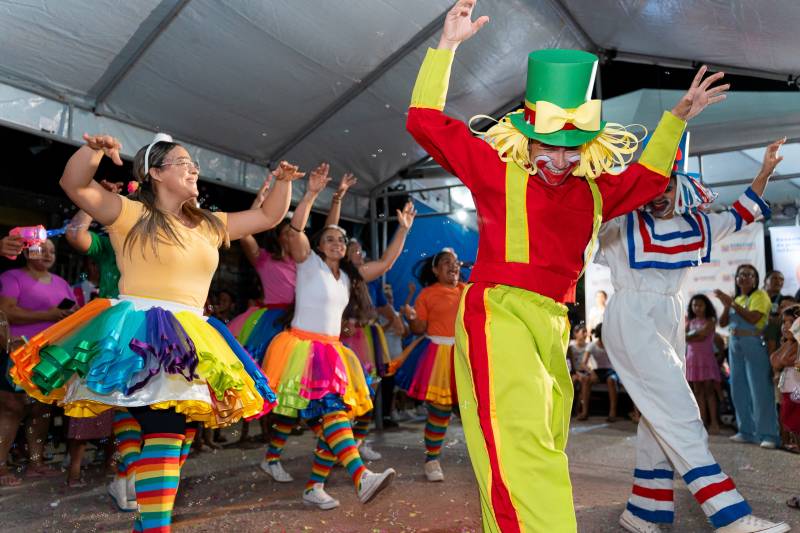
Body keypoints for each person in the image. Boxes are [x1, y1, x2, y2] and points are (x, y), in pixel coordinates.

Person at [406, 1, 725, 529]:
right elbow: (423, 121)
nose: (559, 160)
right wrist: (447, 48)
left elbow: (648, 178)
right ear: (526, 137)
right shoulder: (494, 169)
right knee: (521, 442)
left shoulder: (596, 191)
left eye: (572, 148)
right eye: (548, 146)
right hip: (499, 313)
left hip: (555, 322)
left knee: (543, 442)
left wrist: (677, 118)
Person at [9, 132, 295, 532]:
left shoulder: (209, 223)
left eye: (194, 164)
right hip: (140, 332)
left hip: (190, 336)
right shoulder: (129, 213)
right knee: (166, 431)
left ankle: (144, 512)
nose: (194, 169)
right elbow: (73, 183)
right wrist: (93, 151)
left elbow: (268, 217)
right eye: (184, 163)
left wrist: (284, 182)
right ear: (156, 173)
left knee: (180, 437)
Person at [600, 136, 788, 532]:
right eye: (651, 185)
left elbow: (741, 212)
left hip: (669, 315)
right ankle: (728, 515)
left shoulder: (697, 224)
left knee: (656, 417)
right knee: (681, 411)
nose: (658, 194)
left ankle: (642, 512)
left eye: (666, 185)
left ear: (681, 185)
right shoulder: (620, 222)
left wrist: (765, 171)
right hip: (631, 316)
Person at [259, 163, 415, 509]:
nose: (337, 243)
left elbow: (386, 263)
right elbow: (296, 229)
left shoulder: (348, 277)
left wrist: (402, 230)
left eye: (342, 239)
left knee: (337, 418)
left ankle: (315, 486)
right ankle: (361, 477)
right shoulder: (307, 262)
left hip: (333, 352)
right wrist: (312, 194)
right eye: (330, 238)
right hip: (302, 350)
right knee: (333, 415)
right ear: (317, 245)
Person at [0, 239, 74, 484]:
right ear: (27, 252)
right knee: (11, 408)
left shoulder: (62, 283)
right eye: (41, 249)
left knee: (42, 408)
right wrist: (49, 314)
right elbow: (6, 311)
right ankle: (1, 467)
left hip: (51, 355)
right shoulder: (12, 277)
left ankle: (36, 463)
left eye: (52, 251)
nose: (48, 254)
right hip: (18, 351)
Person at [393, 248, 464, 482]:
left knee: (472, 409)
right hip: (438, 357)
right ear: (435, 270)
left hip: (464, 356)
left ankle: (488, 459)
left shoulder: (467, 291)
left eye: (456, 262)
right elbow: (419, 329)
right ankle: (432, 460)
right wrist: (412, 318)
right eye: (446, 262)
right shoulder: (427, 294)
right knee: (440, 410)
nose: (453, 265)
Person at [717, 263, 782, 450]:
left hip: (753, 344)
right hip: (734, 345)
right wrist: (726, 305)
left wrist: (732, 304)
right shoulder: (737, 298)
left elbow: (753, 318)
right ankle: (746, 431)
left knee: (760, 391)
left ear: (756, 279)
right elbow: (723, 322)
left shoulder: (760, 296)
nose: (745, 277)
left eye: (749, 275)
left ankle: (769, 434)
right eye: (741, 274)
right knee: (738, 389)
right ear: (737, 279)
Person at [686, 294, 722, 434]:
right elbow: (683, 336)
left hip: (705, 360)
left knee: (709, 392)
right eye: (694, 305)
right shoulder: (690, 322)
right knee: (697, 392)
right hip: (692, 360)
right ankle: (702, 422)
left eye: (700, 305)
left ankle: (714, 423)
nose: (697, 308)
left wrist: (690, 336)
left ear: (706, 306)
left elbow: (702, 335)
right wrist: (693, 335)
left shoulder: (710, 321)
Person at [770, 305, 800, 450]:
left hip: (797, 391)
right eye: (784, 322)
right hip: (788, 390)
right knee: (790, 422)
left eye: (791, 322)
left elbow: (784, 360)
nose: (786, 326)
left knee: (796, 422)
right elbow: (774, 360)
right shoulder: (789, 343)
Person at [576, 324, 618, 422]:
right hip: (598, 371)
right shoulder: (592, 346)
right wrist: (591, 372)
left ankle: (612, 413)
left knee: (611, 380)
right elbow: (583, 364)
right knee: (586, 380)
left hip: (611, 370)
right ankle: (584, 412)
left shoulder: (611, 345)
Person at [764, 271, 786, 354]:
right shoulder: (757, 298)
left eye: (781, 279)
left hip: (776, 344)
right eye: (774, 278)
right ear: (765, 281)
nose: (778, 281)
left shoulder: (785, 301)